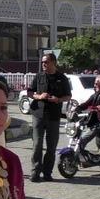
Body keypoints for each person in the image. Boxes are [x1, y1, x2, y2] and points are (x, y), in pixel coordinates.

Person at [26, 52, 71, 182]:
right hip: (38, 114)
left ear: (53, 63)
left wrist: (58, 99)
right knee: (37, 144)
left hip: (53, 115)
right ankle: (35, 172)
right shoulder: (39, 76)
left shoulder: (62, 78)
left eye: (46, 62)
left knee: (51, 147)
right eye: (42, 62)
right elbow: (29, 92)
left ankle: (47, 173)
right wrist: (39, 96)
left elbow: (68, 96)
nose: (43, 64)